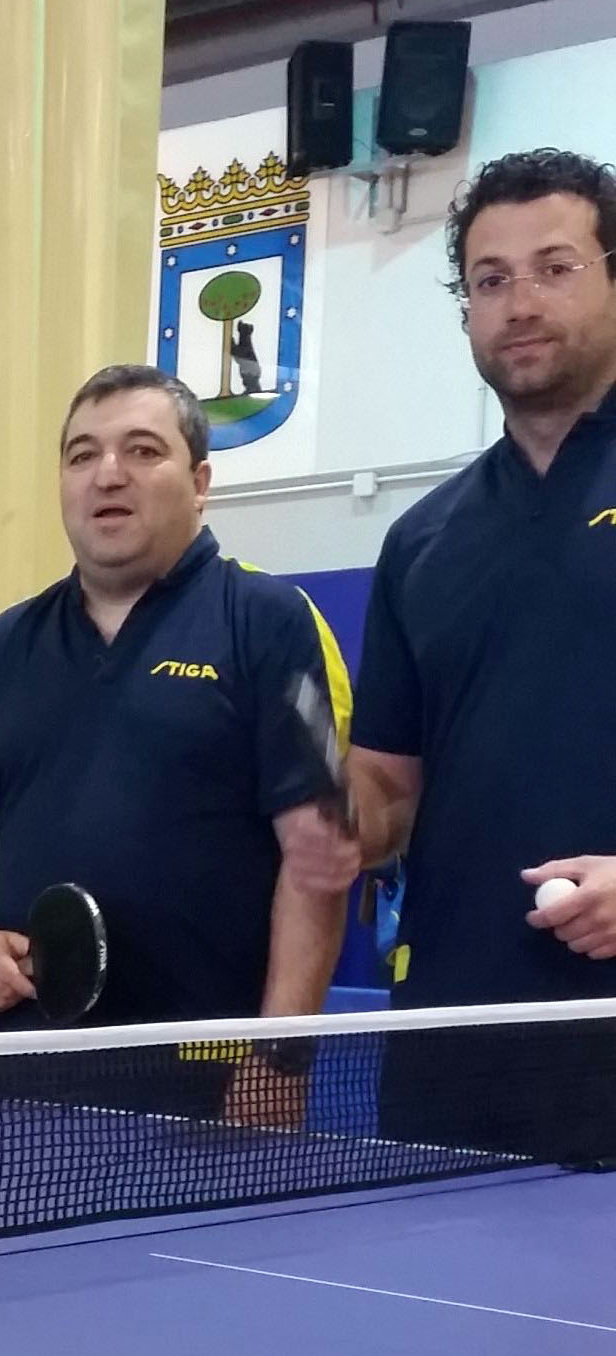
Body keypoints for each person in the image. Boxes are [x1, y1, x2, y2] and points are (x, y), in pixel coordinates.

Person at [0, 363, 356, 1124]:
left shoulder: (271, 621)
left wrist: (280, 1056)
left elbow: (316, 858)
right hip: (26, 1066)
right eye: (82, 455)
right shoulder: (2, 646)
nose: (107, 475)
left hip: (212, 1074)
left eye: (143, 451)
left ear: (201, 480)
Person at [347, 149, 616, 1161]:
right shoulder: (422, 540)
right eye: (490, 280)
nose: (520, 303)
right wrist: (341, 822)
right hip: (451, 1037)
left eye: (556, 266)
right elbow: (387, 784)